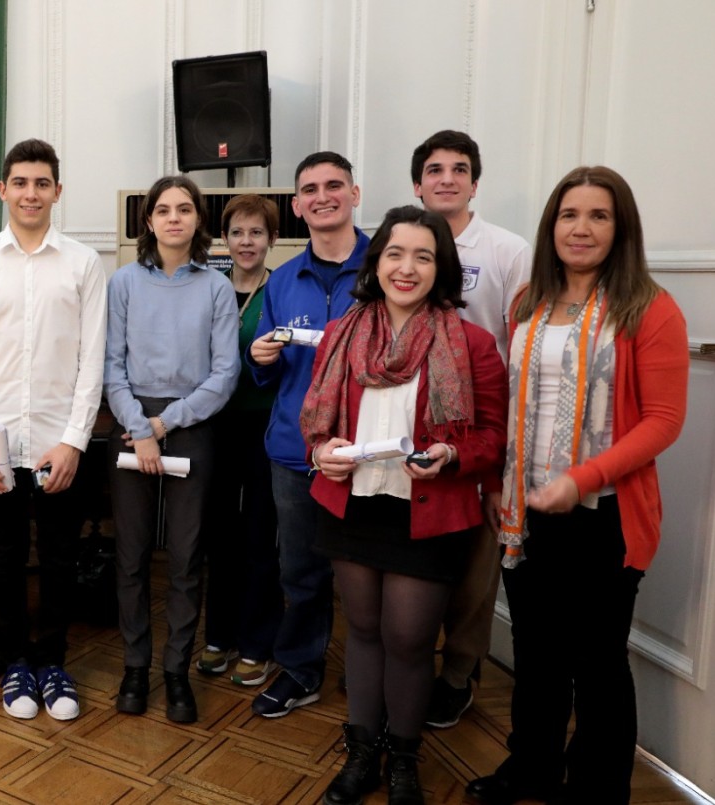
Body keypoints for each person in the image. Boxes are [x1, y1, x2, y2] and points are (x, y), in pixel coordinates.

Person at [467, 167, 688, 805]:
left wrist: (580, 478)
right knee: (537, 657)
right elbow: (511, 407)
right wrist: (497, 485)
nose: (581, 228)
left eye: (598, 215)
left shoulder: (648, 307)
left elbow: (664, 421)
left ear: (621, 229)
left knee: (597, 666)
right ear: (552, 225)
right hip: (526, 511)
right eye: (569, 214)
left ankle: (596, 788)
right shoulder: (529, 300)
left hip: (605, 514)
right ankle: (531, 769)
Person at [305, 206, 506, 805]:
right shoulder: (342, 333)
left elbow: (492, 435)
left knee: (410, 640)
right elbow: (315, 423)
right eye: (396, 253)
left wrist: (452, 452)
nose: (407, 267)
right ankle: (362, 752)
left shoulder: (470, 342)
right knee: (362, 633)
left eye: (423, 256)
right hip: (353, 505)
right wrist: (322, 452)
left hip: (428, 510)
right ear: (378, 261)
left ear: (440, 267)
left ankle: (403, 757)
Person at [0, 138, 106, 722]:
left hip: (59, 442)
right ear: (3, 190)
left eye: (42, 183)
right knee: (5, 557)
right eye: (21, 182)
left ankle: (53, 661)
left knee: (60, 558)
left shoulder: (84, 264)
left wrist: (74, 441)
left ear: (57, 191)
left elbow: (93, 361)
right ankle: (16, 659)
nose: (31, 193)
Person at [410, 130, 532, 729]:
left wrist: (505, 463)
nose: (447, 179)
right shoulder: (405, 242)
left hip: (484, 432)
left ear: (475, 183)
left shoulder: (509, 251)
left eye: (459, 169)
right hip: (415, 432)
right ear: (418, 184)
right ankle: (406, 665)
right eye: (435, 170)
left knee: (475, 573)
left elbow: (524, 353)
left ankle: (458, 673)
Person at [105, 176, 238, 724]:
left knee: (186, 558)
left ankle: (176, 671)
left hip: (191, 421)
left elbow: (226, 373)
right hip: (130, 420)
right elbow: (110, 365)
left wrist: (165, 423)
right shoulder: (123, 283)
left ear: (198, 221)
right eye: (164, 210)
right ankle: (135, 665)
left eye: (185, 209)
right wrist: (139, 425)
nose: (174, 218)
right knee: (131, 554)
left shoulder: (216, 287)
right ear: (149, 222)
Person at [246, 151, 369, 718]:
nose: (322, 196)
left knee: (372, 578)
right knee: (299, 569)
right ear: (297, 206)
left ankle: (374, 681)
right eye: (310, 189)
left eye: (333, 185)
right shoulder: (283, 280)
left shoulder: (383, 268)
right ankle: (301, 668)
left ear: (354, 193)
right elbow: (269, 375)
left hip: (370, 452)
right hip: (295, 454)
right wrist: (260, 356)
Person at [199, 194, 283, 689]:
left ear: (271, 239)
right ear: (224, 240)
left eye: (256, 233)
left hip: (264, 427)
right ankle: (218, 637)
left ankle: (258, 644)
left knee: (259, 536)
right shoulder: (208, 289)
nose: (246, 242)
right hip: (212, 425)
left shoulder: (281, 292)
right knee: (218, 536)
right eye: (237, 233)